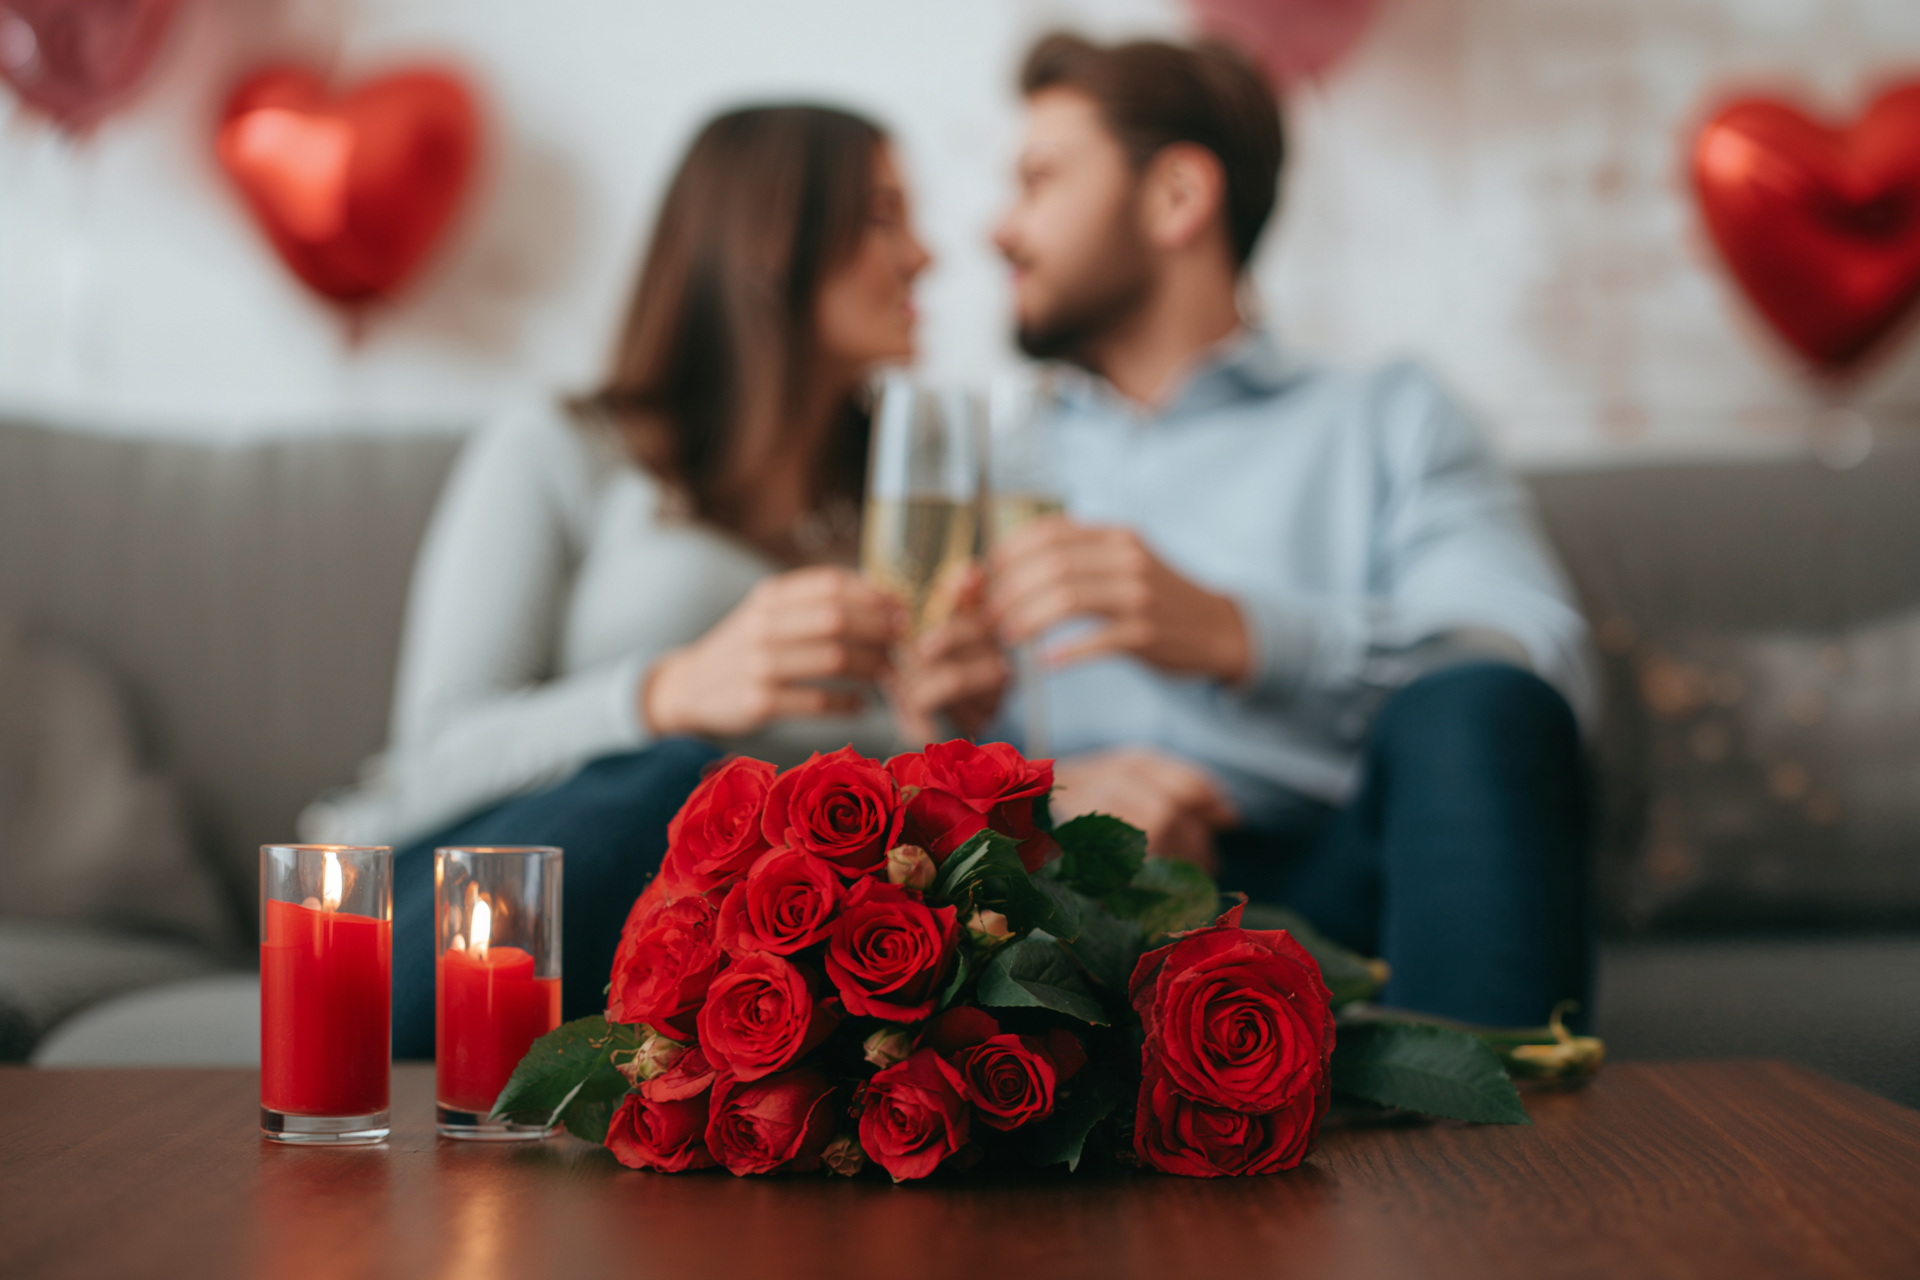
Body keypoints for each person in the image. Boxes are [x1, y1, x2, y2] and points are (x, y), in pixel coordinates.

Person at [302, 105, 1008, 1057]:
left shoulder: (908, 497)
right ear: (770, 241)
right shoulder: (561, 447)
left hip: (763, 934)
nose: (924, 256)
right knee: (686, 793)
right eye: (882, 216)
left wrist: (949, 741)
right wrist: (669, 692)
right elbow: (432, 752)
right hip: (480, 899)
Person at [984, 34, 1595, 1028]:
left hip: (1341, 880)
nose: (999, 229)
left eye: (1040, 180)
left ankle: (1491, 1164)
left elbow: (1537, 660)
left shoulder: (1388, 416)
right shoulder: (984, 465)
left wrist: (1250, 636)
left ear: (1178, 196)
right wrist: (1047, 798)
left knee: (1483, 706)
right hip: (1061, 886)